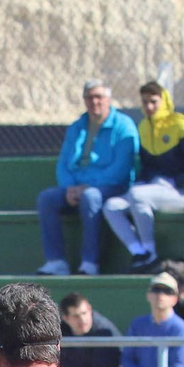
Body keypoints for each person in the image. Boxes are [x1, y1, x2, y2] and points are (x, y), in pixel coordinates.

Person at [36, 80, 139, 276]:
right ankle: (56, 261)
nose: (94, 102)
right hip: (75, 187)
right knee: (47, 198)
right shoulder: (77, 127)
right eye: (89, 97)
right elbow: (64, 164)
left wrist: (86, 187)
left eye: (98, 97)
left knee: (91, 197)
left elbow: (120, 169)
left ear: (108, 99)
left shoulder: (124, 126)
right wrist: (69, 188)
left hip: (111, 186)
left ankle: (90, 262)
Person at [104, 82, 184, 272]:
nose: (149, 107)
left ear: (164, 100)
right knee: (111, 207)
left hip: (183, 192)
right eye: (145, 102)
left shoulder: (181, 124)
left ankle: (151, 253)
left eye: (154, 102)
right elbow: (148, 167)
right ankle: (139, 252)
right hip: (154, 189)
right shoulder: (143, 127)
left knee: (138, 195)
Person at [57, 292, 121, 367]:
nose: (83, 320)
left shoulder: (104, 332)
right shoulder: (59, 332)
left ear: (90, 309)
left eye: (84, 313)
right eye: (76, 316)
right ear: (66, 318)